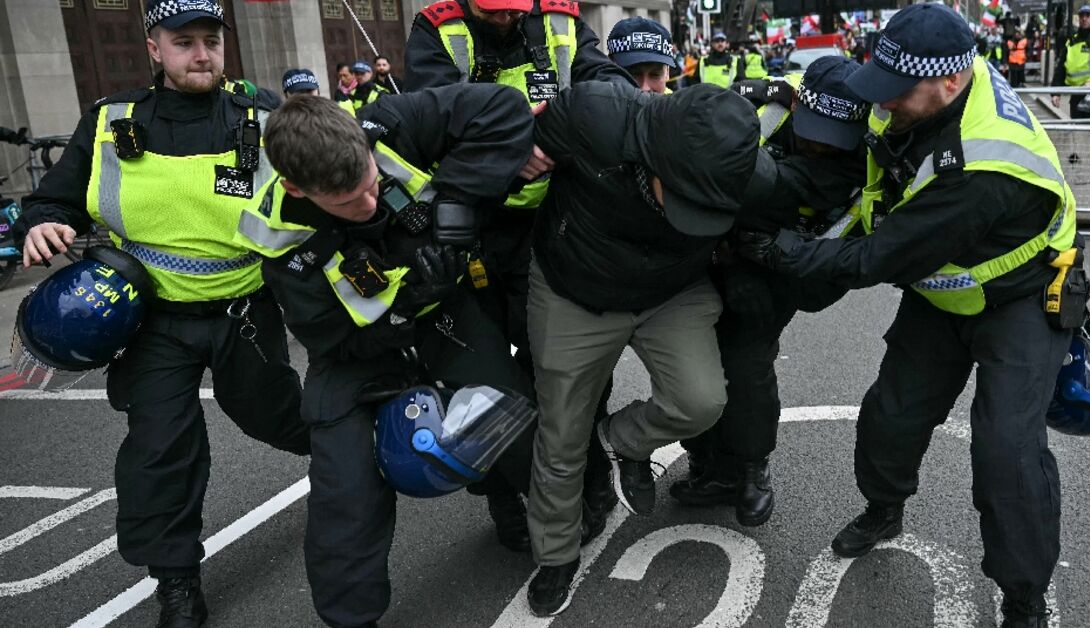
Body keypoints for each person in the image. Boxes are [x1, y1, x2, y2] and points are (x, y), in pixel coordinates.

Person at [737, 5, 1079, 626]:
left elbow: (879, 257)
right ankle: (884, 507)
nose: (882, 102)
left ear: (950, 83)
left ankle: (1022, 596)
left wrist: (785, 252)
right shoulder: (921, 86)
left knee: (1007, 454)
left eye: (896, 93)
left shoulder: (982, 167)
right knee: (890, 416)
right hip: (942, 292)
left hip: (1018, 298)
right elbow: (843, 108)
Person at [13, 2, 311, 626]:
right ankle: (176, 582)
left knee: (277, 415)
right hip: (151, 320)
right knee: (159, 449)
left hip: (243, 309)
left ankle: (353, 461)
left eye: (211, 41)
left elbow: (327, 183)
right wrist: (44, 224)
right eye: (184, 43)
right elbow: (55, 197)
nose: (202, 55)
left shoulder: (263, 114)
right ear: (154, 49)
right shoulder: (109, 119)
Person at [234, 88, 534, 628]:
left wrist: (452, 207)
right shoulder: (280, 238)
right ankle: (353, 618)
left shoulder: (390, 125)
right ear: (297, 188)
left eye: (373, 185)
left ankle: (507, 496)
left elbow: (504, 109)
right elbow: (331, 342)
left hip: (445, 313)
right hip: (359, 349)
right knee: (346, 491)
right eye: (349, 203)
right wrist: (408, 304)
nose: (370, 206)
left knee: (503, 414)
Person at [523, 82, 769, 616]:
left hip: (671, 291)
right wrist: (517, 152)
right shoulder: (592, 115)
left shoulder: (751, 172)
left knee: (701, 400)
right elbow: (515, 140)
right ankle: (556, 554)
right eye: (683, 197)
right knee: (562, 431)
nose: (693, 211)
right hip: (575, 287)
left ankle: (625, 441)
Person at [403, 0, 632, 543]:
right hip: (472, 226)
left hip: (557, 221)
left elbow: (608, 90)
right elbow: (430, 118)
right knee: (481, 379)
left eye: (513, 9)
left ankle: (592, 474)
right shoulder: (436, 29)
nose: (505, 19)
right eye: (493, 9)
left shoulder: (562, 22)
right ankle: (503, 493)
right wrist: (511, 147)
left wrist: (550, 135)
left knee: (567, 362)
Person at [673, 56, 869, 527]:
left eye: (832, 143)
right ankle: (708, 464)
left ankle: (749, 470)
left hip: (777, 269)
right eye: (814, 131)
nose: (820, 147)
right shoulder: (760, 107)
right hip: (704, 248)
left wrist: (766, 252)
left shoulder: (864, 160)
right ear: (800, 103)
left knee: (746, 361)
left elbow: (830, 267)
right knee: (686, 365)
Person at [607, 16, 676, 93]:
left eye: (655, 75)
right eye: (634, 74)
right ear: (610, 68)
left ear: (667, 72)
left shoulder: (680, 104)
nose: (645, 87)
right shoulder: (593, 103)